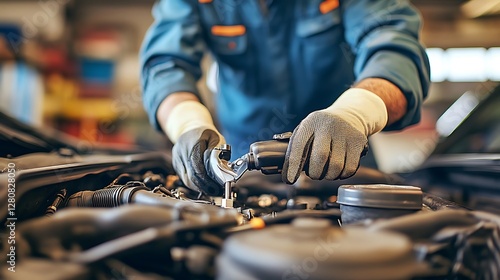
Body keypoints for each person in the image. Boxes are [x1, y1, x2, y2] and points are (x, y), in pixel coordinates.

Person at [140, 0, 430, 196]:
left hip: (344, 156)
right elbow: (165, 65)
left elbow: (394, 48)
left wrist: (355, 113)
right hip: (242, 167)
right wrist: (187, 122)